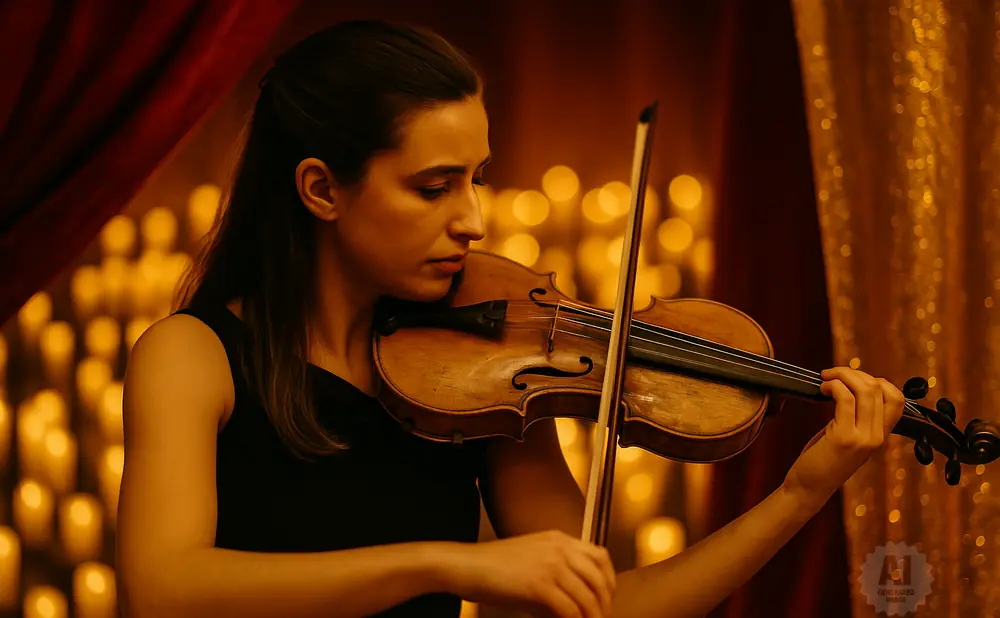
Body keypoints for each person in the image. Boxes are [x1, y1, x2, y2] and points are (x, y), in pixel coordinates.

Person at [115, 19, 905, 618]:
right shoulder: (194, 356)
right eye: (434, 186)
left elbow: (611, 607)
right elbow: (162, 586)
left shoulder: (486, 372)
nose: (472, 220)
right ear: (321, 189)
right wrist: (444, 565)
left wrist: (800, 494)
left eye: (477, 179)